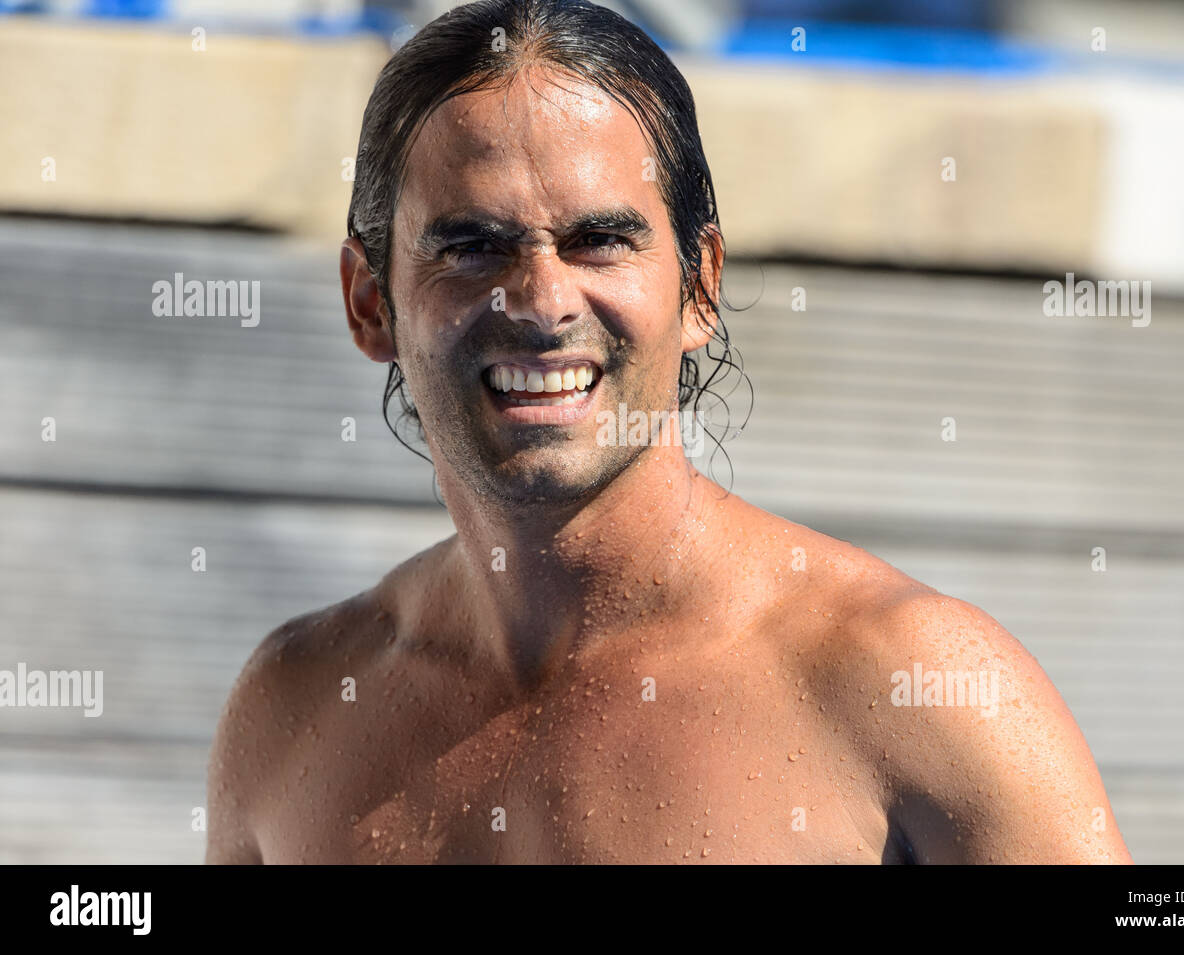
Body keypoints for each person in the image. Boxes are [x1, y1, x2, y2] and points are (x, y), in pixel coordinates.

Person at [206, 0, 1132, 864]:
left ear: (700, 285)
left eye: (599, 240)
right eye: (473, 245)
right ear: (370, 303)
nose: (540, 301)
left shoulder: (917, 685)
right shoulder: (297, 710)